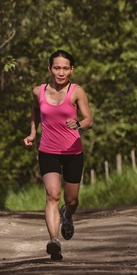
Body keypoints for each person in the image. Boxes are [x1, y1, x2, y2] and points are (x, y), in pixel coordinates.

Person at [23, 50, 93, 260]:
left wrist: (79, 124)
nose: (61, 73)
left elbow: (89, 119)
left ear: (71, 69)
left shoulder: (76, 91)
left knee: (71, 201)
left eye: (65, 68)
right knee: (52, 195)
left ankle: (67, 215)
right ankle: (54, 241)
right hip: (48, 151)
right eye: (56, 68)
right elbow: (35, 110)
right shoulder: (38, 91)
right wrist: (33, 132)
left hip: (73, 151)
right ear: (49, 69)